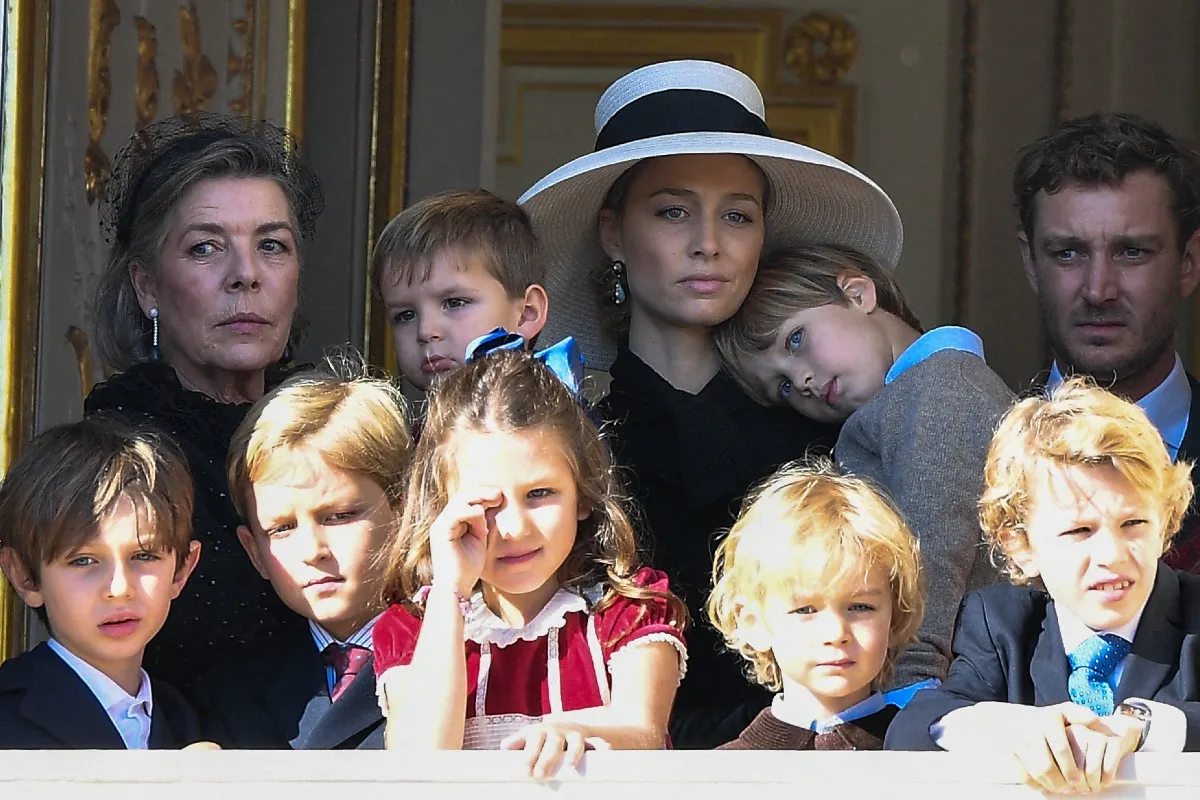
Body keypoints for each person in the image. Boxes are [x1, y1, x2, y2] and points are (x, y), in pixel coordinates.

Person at [518, 59, 902, 747]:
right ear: (613, 232)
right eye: (672, 211)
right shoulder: (566, 444)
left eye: (737, 215)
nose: (708, 243)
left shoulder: (838, 434)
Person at [85, 112, 326, 691]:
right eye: (205, 248)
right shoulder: (109, 462)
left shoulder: (337, 430)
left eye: (272, 245)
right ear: (147, 287)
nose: (245, 274)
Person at [372, 348, 687, 780]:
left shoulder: (627, 611)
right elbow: (419, 761)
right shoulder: (413, 627)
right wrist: (450, 590)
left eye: (540, 494)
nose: (514, 528)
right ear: (443, 508)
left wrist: (572, 731)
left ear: (583, 493)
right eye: (486, 503)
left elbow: (644, 734)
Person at [715, 245, 1011, 688]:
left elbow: (930, 555)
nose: (802, 381)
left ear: (857, 293)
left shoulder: (941, 390)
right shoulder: (911, 397)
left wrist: (910, 696)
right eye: (782, 387)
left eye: (795, 339)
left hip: (944, 690)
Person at [885, 378, 1200, 795]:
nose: (1112, 553)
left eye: (1133, 524)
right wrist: (1004, 727)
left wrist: (1141, 725)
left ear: (1165, 523)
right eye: (1079, 531)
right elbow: (913, 727)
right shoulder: (1001, 624)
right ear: (1021, 545)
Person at [192, 354, 411, 749]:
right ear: (253, 551)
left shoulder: (460, 654)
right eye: (282, 528)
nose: (313, 550)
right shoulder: (228, 692)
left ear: (403, 510)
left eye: (340, 516)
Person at [1014, 112, 1200, 571]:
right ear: (1032, 264)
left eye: (1132, 252)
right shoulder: (975, 455)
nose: (1098, 290)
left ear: (1188, 263)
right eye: (1068, 253)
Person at [0, 417, 203, 748]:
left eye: (144, 556)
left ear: (181, 570)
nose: (119, 587)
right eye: (83, 560)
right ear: (25, 576)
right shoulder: (7, 719)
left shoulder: (188, 719)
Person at [707, 461, 924, 750]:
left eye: (860, 607)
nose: (836, 632)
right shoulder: (722, 776)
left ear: (895, 615)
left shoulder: (926, 759)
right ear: (751, 622)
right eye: (805, 610)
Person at [370, 189, 549, 392]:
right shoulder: (403, 425)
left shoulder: (562, 423)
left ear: (527, 313)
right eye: (405, 315)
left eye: (454, 303)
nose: (426, 331)